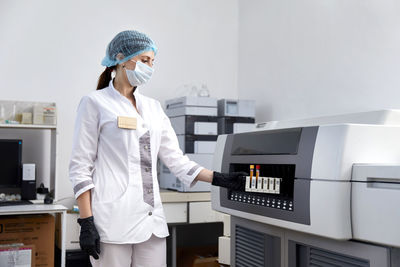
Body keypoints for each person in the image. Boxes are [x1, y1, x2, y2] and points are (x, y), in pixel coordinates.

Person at [69, 30, 246, 267]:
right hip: (112, 221)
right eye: (144, 60)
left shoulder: (153, 108)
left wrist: (220, 179)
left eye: (152, 62)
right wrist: (86, 221)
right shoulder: (95, 103)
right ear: (121, 58)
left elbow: (177, 161)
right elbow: (80, 168)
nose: (150, 67)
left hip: (151, 222)